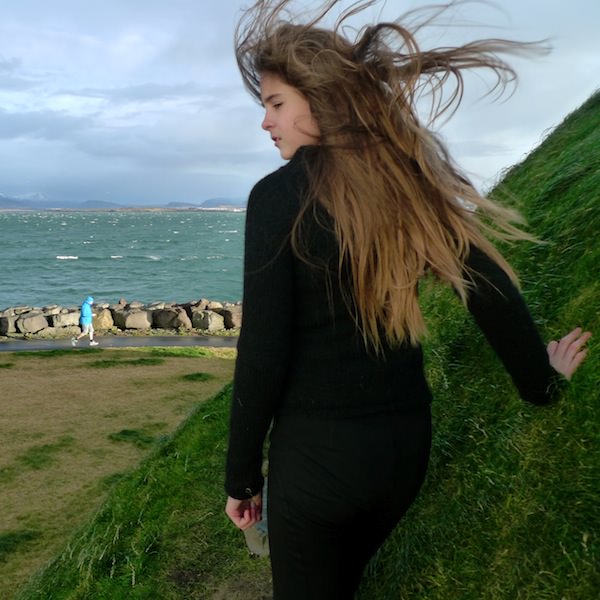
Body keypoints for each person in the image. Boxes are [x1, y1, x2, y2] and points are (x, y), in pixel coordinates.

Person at [224, 2, 591, 598]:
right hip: (401, 455)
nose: (266, 122)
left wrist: (242, 479)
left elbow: (264, 347)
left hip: (318, 460)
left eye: (276, 104)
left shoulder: (277, 197)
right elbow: (488, 288)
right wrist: (541, 382)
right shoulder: (404, 183)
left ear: (322, 98)